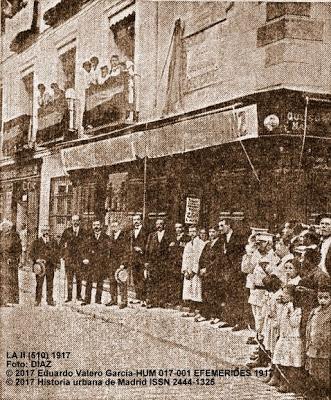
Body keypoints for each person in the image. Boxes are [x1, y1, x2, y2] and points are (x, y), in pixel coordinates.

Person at [271, 285, 304, 393]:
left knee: (290, 362)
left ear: (292, 297)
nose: (283, 296)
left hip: (292, 339)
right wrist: (274, 320)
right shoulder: (284, 307)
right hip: (284, 337)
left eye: (286, 294)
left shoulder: (297, 309)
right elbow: (281, 321)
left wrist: (290, 312)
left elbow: (294, 323)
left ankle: (289, 384)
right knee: (281, 360)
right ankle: (282, 381)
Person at [218, 218, 246, 330]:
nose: (220, 228)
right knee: (228, 295)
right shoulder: (222, 238)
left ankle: (239, 321)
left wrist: (235, 269)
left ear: (229, 225)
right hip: (227, 271)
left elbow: (241, 255)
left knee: (237, 296)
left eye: (222, 225)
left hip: (236, 271)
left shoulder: (238, 238)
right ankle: (229, 319)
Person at [305, 283, 331, 396]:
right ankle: (315, 390)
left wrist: (324, 343)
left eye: (326, 298)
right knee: (313, 369)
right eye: (320, 298)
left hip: (325, 347)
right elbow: (309, 328)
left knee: (324, 371)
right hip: (313, 346)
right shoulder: (315, 311)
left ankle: (325, 392)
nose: (322, 301)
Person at [81, 220, 111, 306]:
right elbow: (83, 249)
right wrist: (85, 258)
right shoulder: (88, 237)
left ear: (101, 225)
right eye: (94, 225)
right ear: (92, 226)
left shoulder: (106, 237)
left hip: (101, 262)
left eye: (97, 225)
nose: (96, 227)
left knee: (100, 281)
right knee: (89, 280)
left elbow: (108, 250)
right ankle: (87, 299)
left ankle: (98, 299)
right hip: (90, 262)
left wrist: (105, 260)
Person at [198, 226, 223, 323]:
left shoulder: (220, 244)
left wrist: (207, 269)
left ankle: (216, 315)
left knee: (215, 294)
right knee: (205, 293)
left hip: (214, 273)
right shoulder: (208, 244)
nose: (211, 234)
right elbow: (202, 257)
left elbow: (218, 260)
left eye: (213, 232)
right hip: (205, 273)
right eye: (210, 232)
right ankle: (205, 314)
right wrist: (201, 268)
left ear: (217, 233)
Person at [30, 225, 59, 306]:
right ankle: (37, 300)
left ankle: (50, 300)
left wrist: (56, 263)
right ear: (41, 231)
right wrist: (36, 259)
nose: (46, 232)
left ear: (49, 232)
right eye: (44, 230)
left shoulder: (54, 242)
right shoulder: (36, 242)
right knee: (39, 284)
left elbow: (57, 253)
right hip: (40, 267)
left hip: (50, 266)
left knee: (50, 284)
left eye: (47, 230)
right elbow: (31, 253)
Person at [145, 219, 171, 308]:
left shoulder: (168, 235)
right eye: (157, 224)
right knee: (152, 282)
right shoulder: (151, 235)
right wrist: (147, 261)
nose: (159, 225)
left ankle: (161, 301)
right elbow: (147, 249)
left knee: (163, 282)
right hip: (153, 262)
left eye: (161, 224)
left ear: (164, 225)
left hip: (163, 262)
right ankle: (151, 301)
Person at [60, 215, 86, 302]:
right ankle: (69, 296)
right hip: (69, 259)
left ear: (79, 221)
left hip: (79, 259)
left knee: (79, 278)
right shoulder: (67, 231)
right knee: (69, 279)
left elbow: (87, 245)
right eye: (73, 220)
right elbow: (61, 244)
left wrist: (84, 257)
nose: (75, 222)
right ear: (71, 221)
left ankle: (79, 296)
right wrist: (63, 255)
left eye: (77, 220)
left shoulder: (83, 232)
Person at [181, 226, 206, 317]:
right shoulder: (188, 244)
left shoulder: (201, 244)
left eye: (194, 231)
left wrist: (194, 271)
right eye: (190, 231)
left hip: (195, 271)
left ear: (197, 232)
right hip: (188, 270)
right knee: (189, 290)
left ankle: (197, 310)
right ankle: (190, 310)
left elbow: (199, 259)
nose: (192, 233)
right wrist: (185, 270)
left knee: (196, 290)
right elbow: (185, 258)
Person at [126, 214, 148, 305]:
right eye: (134, 220)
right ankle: (138, 297)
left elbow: (148, 243)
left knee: (143, 278)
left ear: (141, 220)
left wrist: (142, 249)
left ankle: (144, 298)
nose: (136, 221)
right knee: (135, 277)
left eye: (138, 219)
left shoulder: (146, 231)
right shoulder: (131, 232)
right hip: (134, 258)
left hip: (142, 258)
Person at [0, 219, 22, 306]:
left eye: (5, 226)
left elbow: (18, 250)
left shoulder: (14, 236)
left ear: (9, 227)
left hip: (11, 261)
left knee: (11, 280)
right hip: (1, 260)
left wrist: (12, 258)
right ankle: (2, 300)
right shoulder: (1, 235)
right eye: (2, 226)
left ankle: (11, 300)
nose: (3, 228)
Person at [106, 221, 126, 307]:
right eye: (112, 226)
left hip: (120, 263)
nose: (114, 228)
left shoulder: (124, 236)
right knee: (112, 281)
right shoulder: (111, 236)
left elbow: (126, 250)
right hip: (111, 262)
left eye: (115, 226)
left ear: (119, 226)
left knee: (122, 281)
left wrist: (123, 263)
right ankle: (113, 299)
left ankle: (123, 301)